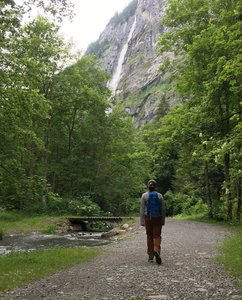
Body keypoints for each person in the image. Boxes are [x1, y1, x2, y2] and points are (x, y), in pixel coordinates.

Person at [140, 179, 165, 264]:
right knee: (157, 235)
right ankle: (156, 250)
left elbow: (142, 209)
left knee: (149, 236)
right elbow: (163, 210)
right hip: (158, 217)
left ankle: (150, 257)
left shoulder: (144, 196)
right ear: (155, 186)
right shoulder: (160, 196)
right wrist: (163, 220)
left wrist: (142, 221)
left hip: (148, 217)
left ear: (148, 186)